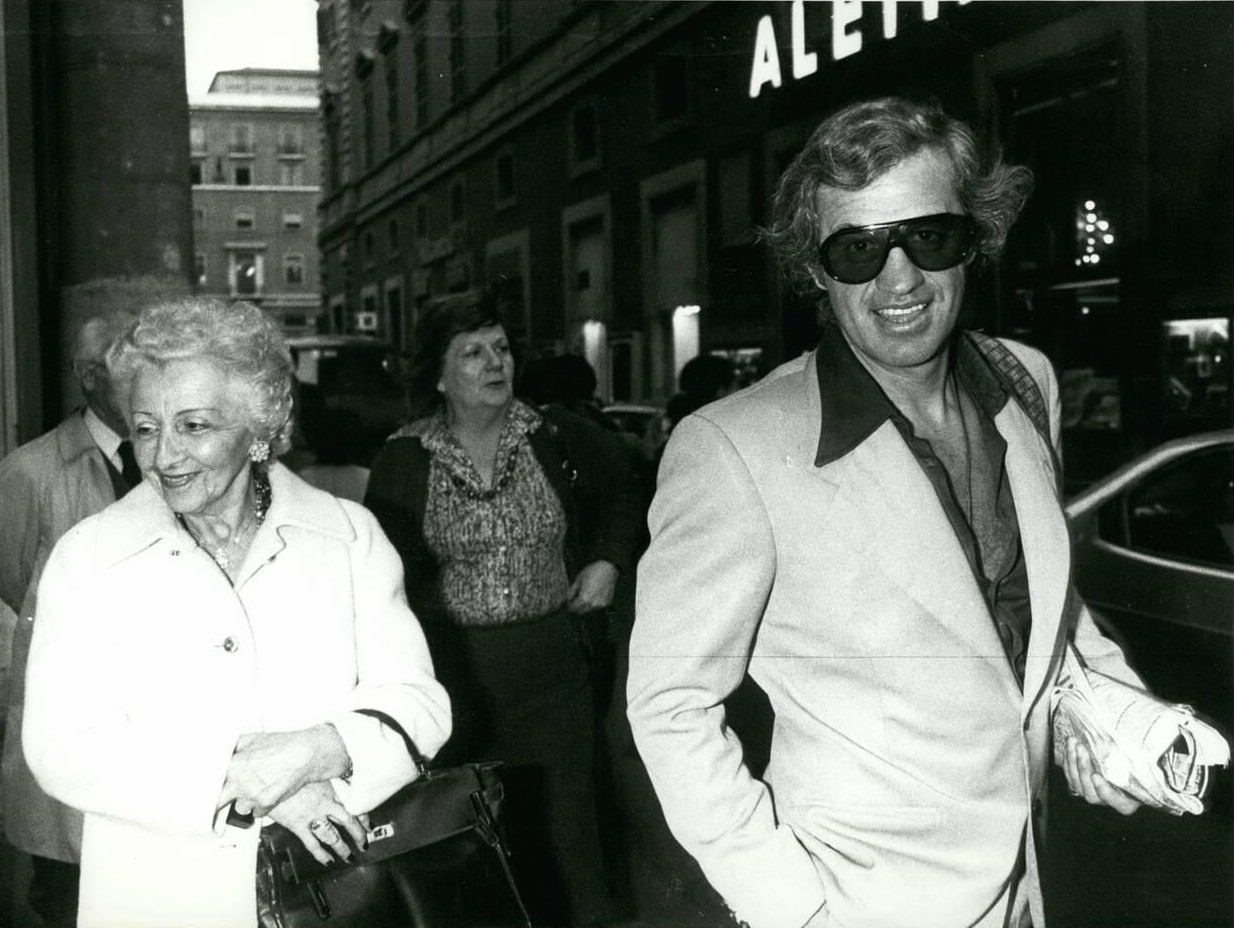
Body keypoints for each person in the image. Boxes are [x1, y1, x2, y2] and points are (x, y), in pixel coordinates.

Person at [627, 97, 1150, 928]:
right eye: (859, 248)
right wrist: (791, 907)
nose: (898, 278)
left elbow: (1032, 608)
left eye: (929, 236)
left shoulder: (1022, 383)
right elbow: (668, 705)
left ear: (974, 237)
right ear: (817, 269)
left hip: (1033, 887)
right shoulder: (735, 447)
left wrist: (1121, 708)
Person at [21, 297, 451, 928]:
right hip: (159, 895)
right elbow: (61, 746)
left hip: (336, 885)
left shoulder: (348, 535)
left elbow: (418, 701)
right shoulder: (88, 559)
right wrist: (248, 781)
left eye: (194, 426)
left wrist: (317, 754)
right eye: (146, 428)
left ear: (260, 428)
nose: (165, 456)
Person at [364, 291, 641, 927]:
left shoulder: (555, 434)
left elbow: (626, 490)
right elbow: (379, 577)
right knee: (472, 834)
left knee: (568, 830)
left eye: (502, 349)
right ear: (438, 374)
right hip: (456, 678)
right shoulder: (404, 458)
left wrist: (606, 560)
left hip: (553, 670)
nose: (496, 363)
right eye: (472, 352)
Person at [0, 309, 137, 927]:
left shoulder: (177, 462)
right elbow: (11, 590)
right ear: (90, 376)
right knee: (68, 897)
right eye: (131, 365)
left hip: (151, 733)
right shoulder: (31, 473)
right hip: (71, 731)